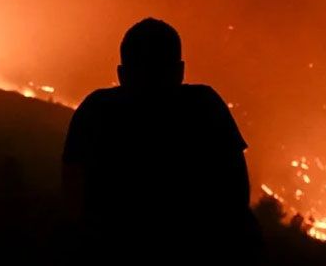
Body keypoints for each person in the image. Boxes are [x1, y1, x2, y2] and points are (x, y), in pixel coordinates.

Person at [61, 18, 261, 265]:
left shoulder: (96, 111)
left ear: (121, 74)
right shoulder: (204, 107)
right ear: (180, 71)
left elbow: (71, 197)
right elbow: (236, 191)